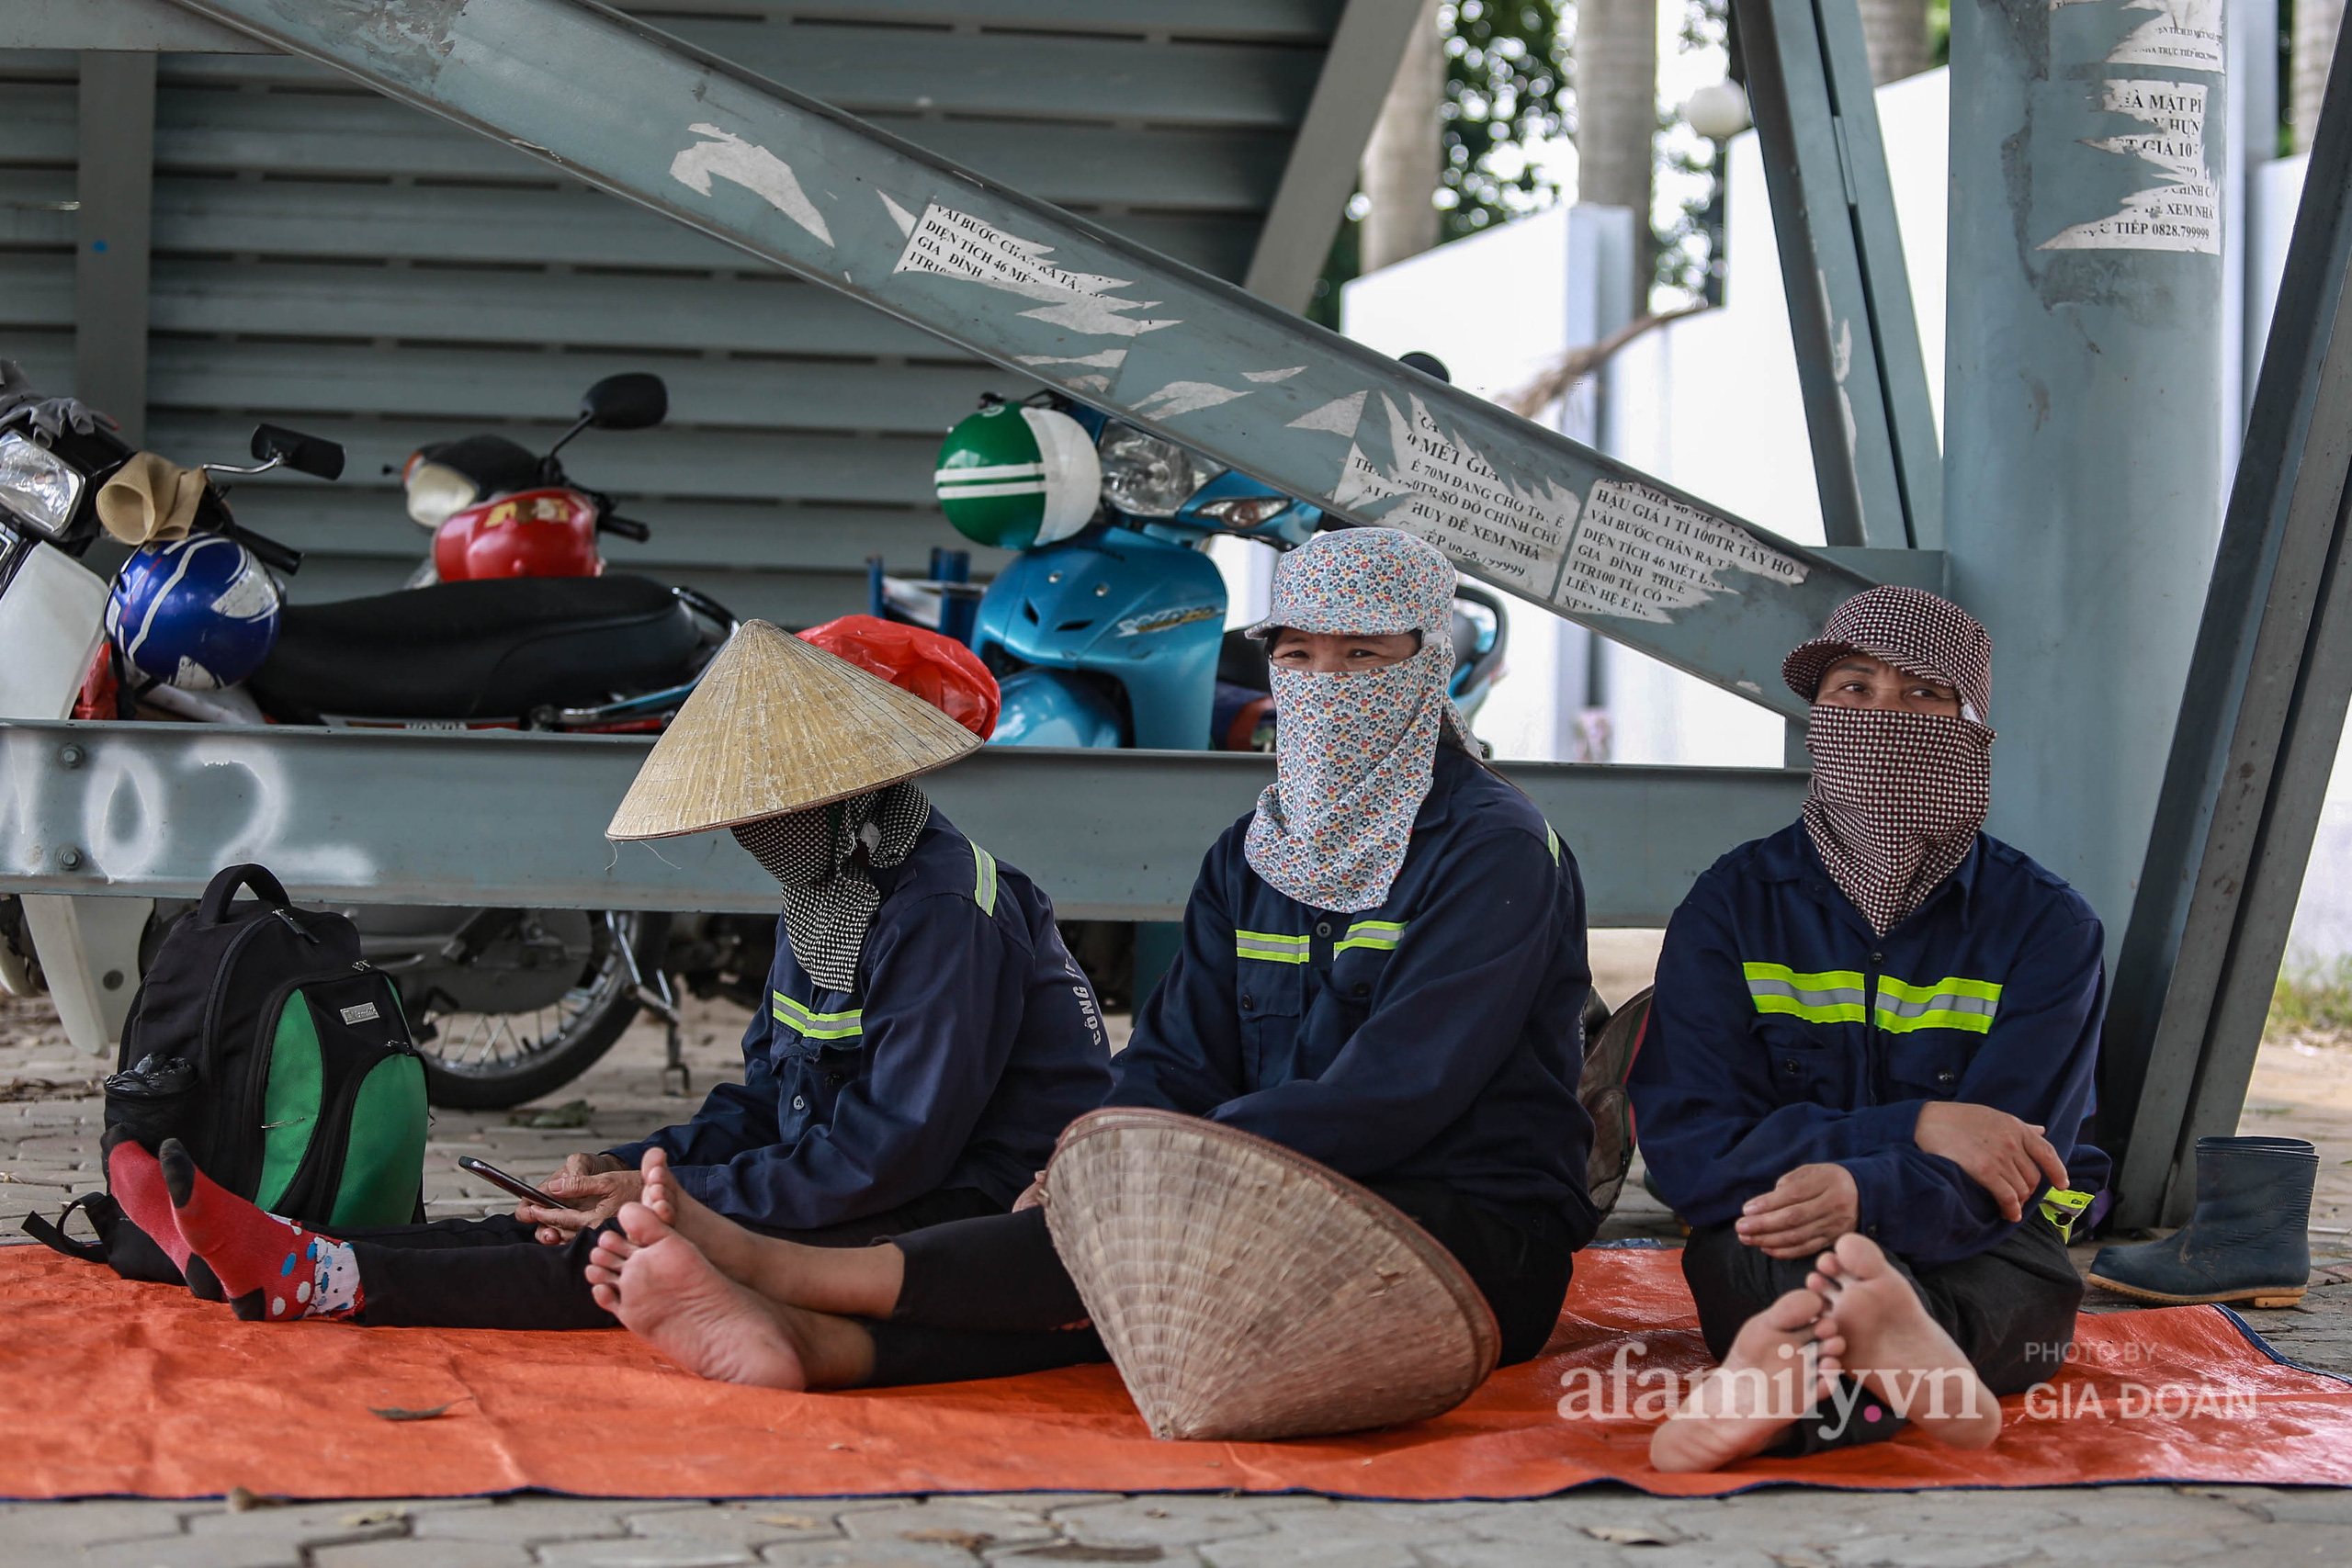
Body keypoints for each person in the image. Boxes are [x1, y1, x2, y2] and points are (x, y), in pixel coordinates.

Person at [573, 526, 1599, 1392]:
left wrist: (1160, 1167)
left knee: (1156, 1247)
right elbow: (1175, 1060)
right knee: (1130, 1271)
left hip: (1462, 1229)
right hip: (1250, 1188)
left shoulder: (1494, 849)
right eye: (1296, 657)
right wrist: (1101, 1144)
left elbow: (1399, 1092)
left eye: (1363, 659)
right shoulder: (1253, 853)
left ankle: (790, 1278)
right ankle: (820, 1343)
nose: (1324, 686)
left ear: (1427, 668)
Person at [115, 619, 1113, 1328]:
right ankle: (298, 1250)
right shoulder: (831, 892)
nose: (749, 833)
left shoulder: (943, 910)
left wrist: (675, 1202)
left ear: (845, 797)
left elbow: (889, 1156)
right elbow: (770, 1101)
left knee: (624, 1251)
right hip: (866, 1182)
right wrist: (634, 1164)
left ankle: (326, 1281)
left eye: (768, 811)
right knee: (561, 1216)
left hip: (970, 1215)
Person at [1629, 585, 2106, 1472]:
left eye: (1923, 694)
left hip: (1984, 1242)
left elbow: (2018, 1170)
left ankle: (1793, 1392)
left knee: (2027, 1296)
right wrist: (1912, 1127)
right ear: (1817, 717)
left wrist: (1869, 1197)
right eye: (1854, 688)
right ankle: (1890, 1355)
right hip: (1777, 1227)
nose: (1883, 715)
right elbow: (1692, 1150)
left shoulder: (2047, 927)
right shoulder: (1731, 907)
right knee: (1759, 1254)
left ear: (1970, 734)